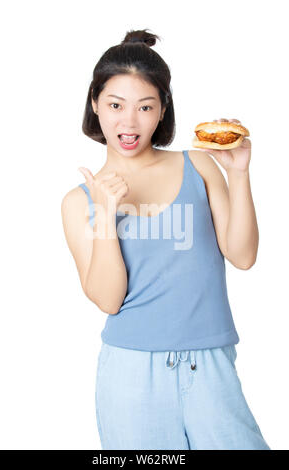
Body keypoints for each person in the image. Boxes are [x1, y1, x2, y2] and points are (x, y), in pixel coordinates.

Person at [61, 29, 270, 450]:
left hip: (210, 365)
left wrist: (239, 173)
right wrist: (105, 214)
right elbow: (109, 300)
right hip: (131, 375)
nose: (129, 121)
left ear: (162, 111)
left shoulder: (199, 166)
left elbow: (243, 256)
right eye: (116, 105)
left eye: (145, 107)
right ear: (95, 104)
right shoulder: (78, 201)